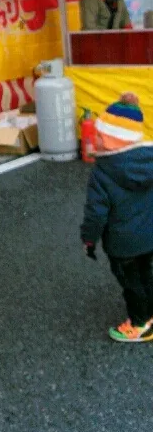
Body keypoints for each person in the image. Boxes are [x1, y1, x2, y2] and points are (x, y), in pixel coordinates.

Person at [81, 93, 153, 343]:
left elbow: (96, 213)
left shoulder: (102, 173)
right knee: (148, 274)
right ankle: (150, 313)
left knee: (131, 283)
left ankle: (140, 323)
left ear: (111, 141)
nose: (95, 139)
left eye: (100, 135)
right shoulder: (149, 161)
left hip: (122, 245)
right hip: (150, 235)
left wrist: (88, 240)